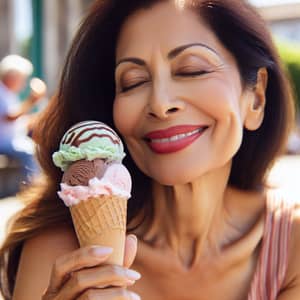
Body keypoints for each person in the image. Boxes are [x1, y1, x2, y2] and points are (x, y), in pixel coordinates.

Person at [0, 0, 299, 299]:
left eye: (192, 70)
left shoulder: (291, 247)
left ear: (256, 98)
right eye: (133, 82)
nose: (159, 103)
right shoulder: (61, 254)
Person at [0, 54, 46, 181]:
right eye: (22, 79)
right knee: (30, 151)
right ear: (12, 77)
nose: (23, 83)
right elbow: (9, 116)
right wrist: (32, 100)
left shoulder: (9, 94)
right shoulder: (1, 92)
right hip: (4, 142)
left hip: (11, 139)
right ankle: (32, 187)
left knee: (37, 147)